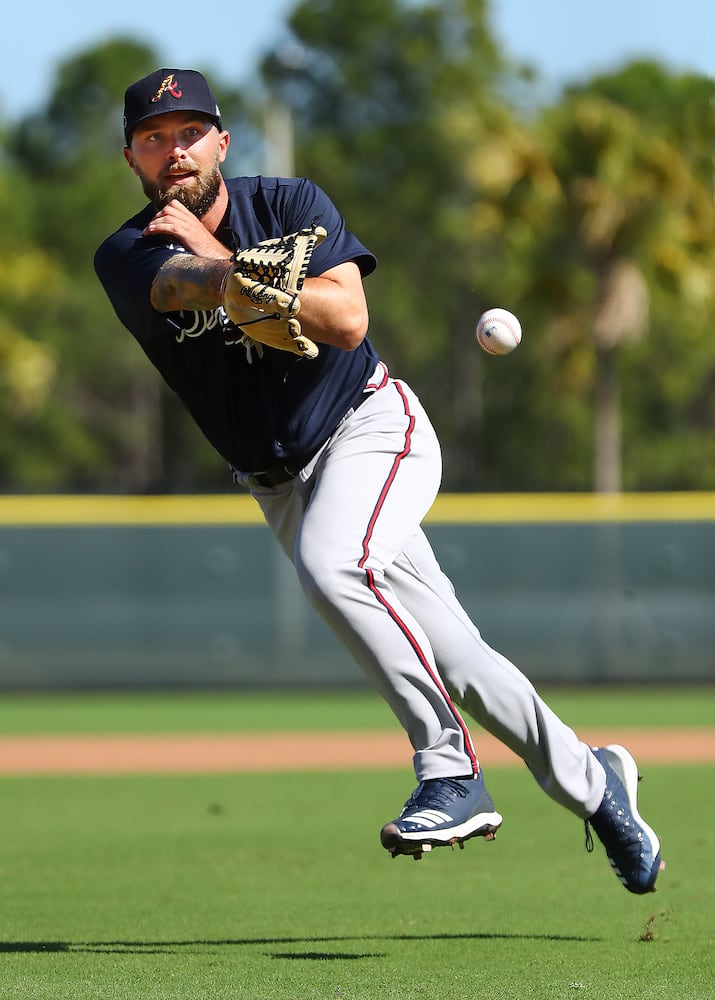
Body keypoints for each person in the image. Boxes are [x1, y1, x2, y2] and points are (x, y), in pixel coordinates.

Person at [95, 68, 663, 894]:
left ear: (221, 141)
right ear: (132, 158)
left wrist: (224, 259)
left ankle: (448, 769)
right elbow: (189, 288)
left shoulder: (290, 204)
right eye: (155, 138)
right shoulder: (128, 250)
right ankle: (595, 782)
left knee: (333, 568)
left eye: (189, 132)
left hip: (368, 428)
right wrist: (233, 276)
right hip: (280, 483)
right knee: (460, 659)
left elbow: (346, 320)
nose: (174, 150)